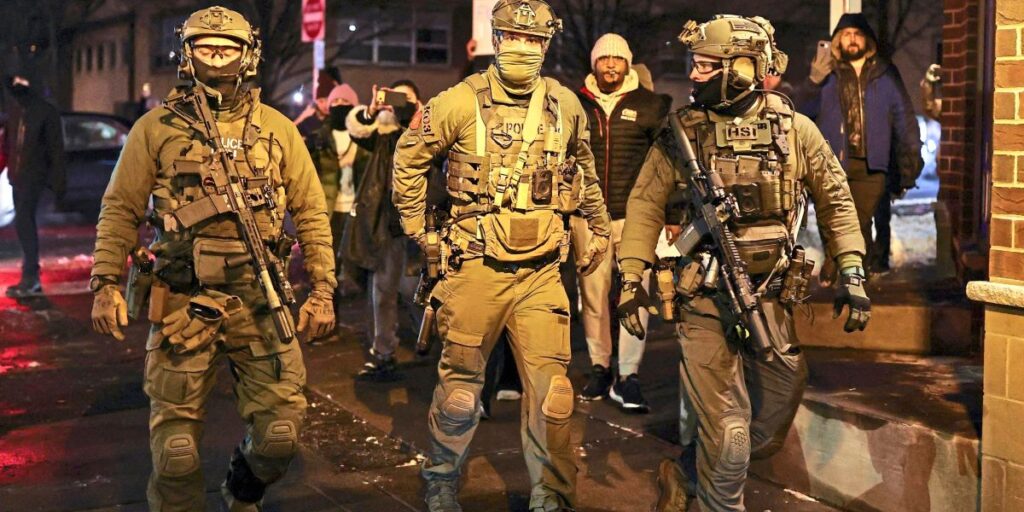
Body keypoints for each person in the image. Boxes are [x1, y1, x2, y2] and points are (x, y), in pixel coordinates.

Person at [616, 15, 871, 511]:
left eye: (706, 65)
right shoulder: (684, 132)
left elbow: (836, 199)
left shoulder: (794, 130)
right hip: (703, 297)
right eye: (695, 64)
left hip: (771, 295)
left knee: (770, 420)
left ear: (742, 69)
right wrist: (630, 277)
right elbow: (645, 203)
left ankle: (686, 472)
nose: (694, 74)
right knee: (731, 434)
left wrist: (853, 271)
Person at [88, 6, 336, 511]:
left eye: (228, 47)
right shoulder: (156, 129)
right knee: (176, 453)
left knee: (280, 435)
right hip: (182, 300)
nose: (218, 55)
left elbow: (311, 211)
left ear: (249, 55)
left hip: (260, 302)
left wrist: (324, 290)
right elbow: (120, 209)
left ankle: (242, 490)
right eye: (206, 46)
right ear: (186, 53)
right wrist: (105, 282)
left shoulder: (278, 129)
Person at [392, 1, 612, 509]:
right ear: (496, 40)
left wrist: (598, 226)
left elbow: (583, 169)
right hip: (475, 269)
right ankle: (441, 480)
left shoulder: (564, 105)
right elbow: (408, 157)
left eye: (533, 41)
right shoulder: (458, 102)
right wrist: (419, 229)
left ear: (546, 46)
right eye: (514, 38)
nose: (523, 49)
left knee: (554, 397)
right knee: (460, 392)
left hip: (541, 274)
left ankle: (551, 495)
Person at [574, 33, 670, 412]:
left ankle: (628, 375)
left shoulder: (650, 105)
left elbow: (667, 164)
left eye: (617, 58)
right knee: (593, 297)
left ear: (628, 62)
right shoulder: (575, 104)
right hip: (588, 217)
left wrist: (670, 214)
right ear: (594, 63)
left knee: (635, 296)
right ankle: (599, 367)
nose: (610, 65)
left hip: (636, 217)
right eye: (604, 59)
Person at [802, 13, 922, 276]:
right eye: (846, 34)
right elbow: (802, 113)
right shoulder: (827, 73)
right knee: (831, 219)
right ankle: (836, 260)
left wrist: (911, 156)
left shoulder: (885, 73)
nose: (852, 39)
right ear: (837, 40)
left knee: (859, 222)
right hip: (832, 163)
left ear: (867, 40)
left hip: (872, 165)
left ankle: (855, 276)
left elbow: (903, 116)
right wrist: (813, 81)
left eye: (857, 34)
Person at [344, 79, 423, 381]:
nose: (398, 102)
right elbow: (358, 132)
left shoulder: (425, 133)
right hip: (386, 228)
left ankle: (430, 342)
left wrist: (416, 117)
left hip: (417, 228)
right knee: (382, 293)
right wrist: (372, 111)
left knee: (415, 292)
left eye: (406, 98)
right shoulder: (383, 137)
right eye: (395, 97)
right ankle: (383, 353)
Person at [2, 74, 65, 298]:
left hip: (34, 177)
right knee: (23, 224)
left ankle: (31, 276)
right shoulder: (16, 111)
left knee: (24, 222)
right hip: (17, 177)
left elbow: (56, 150)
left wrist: (58, 184)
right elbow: (9, 145)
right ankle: (30, 275)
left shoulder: (45, 112)